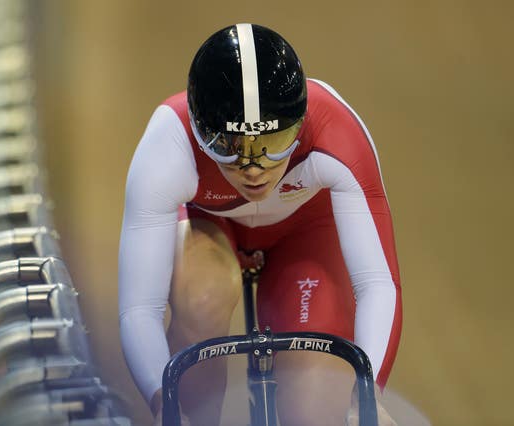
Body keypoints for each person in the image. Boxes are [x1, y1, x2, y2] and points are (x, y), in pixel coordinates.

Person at [118, 23, 402, 426]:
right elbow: (138, 309)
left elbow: (377, 282)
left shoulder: (336, 132)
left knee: (314, 416)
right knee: (204, 295)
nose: (254, 169)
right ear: (199, 133)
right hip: (212, 228)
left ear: (301, 125)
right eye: (230, 148)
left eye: (274, 143)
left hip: (304, 233)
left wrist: (368, 397)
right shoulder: (169, 142)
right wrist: (164, 403)